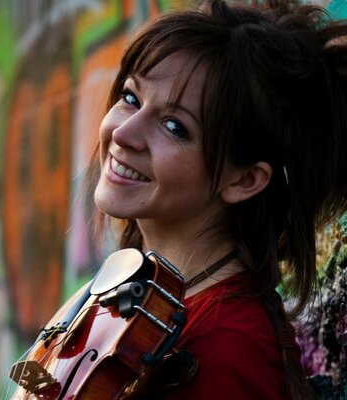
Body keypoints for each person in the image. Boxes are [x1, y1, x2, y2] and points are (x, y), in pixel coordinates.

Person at [88, 0, 347, 399]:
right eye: (132, 98)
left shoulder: (223, 350)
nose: (123, 133)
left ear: (244, 180)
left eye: (175, 127)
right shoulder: (146, 301)